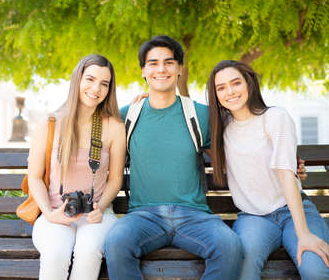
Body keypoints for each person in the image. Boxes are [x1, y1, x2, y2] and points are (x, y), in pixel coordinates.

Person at [103, 36, 244, 280]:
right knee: (115, 242)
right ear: (144, 70)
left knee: (229, 246)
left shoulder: (199, 114)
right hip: (142, 217)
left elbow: (240, 148)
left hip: (195, 216)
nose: (161, 69)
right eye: (153, 63)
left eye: (169, 62)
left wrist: (288, 162)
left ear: (179, 68)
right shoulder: (126, 117)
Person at [207, 60, 329, 280]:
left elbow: (286, 175)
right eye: (220, 88)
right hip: (253, 219)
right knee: (241, 272)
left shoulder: (275, 117)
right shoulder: (220, 128)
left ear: (249, 83)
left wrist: (304, 234)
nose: (229, 92)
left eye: (236, 83)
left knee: (316, 269)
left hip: (293, 211)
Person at [27, 54, 126, 280]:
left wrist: (100, 207)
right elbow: (34, 177)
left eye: (104, 84)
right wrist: (50, 214)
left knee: (88, 251)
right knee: (55, 254)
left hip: (96, 214)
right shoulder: (49, 123)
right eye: (90, 79)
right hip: (54, 211)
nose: (96, 88)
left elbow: (115, 179)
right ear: (77, 80)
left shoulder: (113, 127)